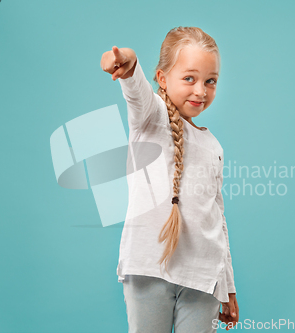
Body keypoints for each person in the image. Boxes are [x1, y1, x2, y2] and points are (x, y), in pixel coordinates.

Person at [100, 26, 239, 333]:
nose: (200, 91)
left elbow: (218, 220)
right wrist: (129, 64)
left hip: (203, 280)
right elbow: (136, 91)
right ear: (162, 78)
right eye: (189, 78)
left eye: (210, 81)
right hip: (150, 269)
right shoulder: (151, 118)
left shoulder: (213, 146)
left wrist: (227, 288)